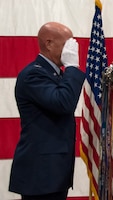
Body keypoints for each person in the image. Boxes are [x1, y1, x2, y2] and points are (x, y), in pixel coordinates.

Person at [9, 22, 85, 200]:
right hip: (40, 173)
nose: (71, 50)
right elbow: (63, 103)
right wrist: (72, 68)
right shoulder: (33, 74)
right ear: (49, 43)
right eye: (67, 44)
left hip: (54, 170)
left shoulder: (55, 73)